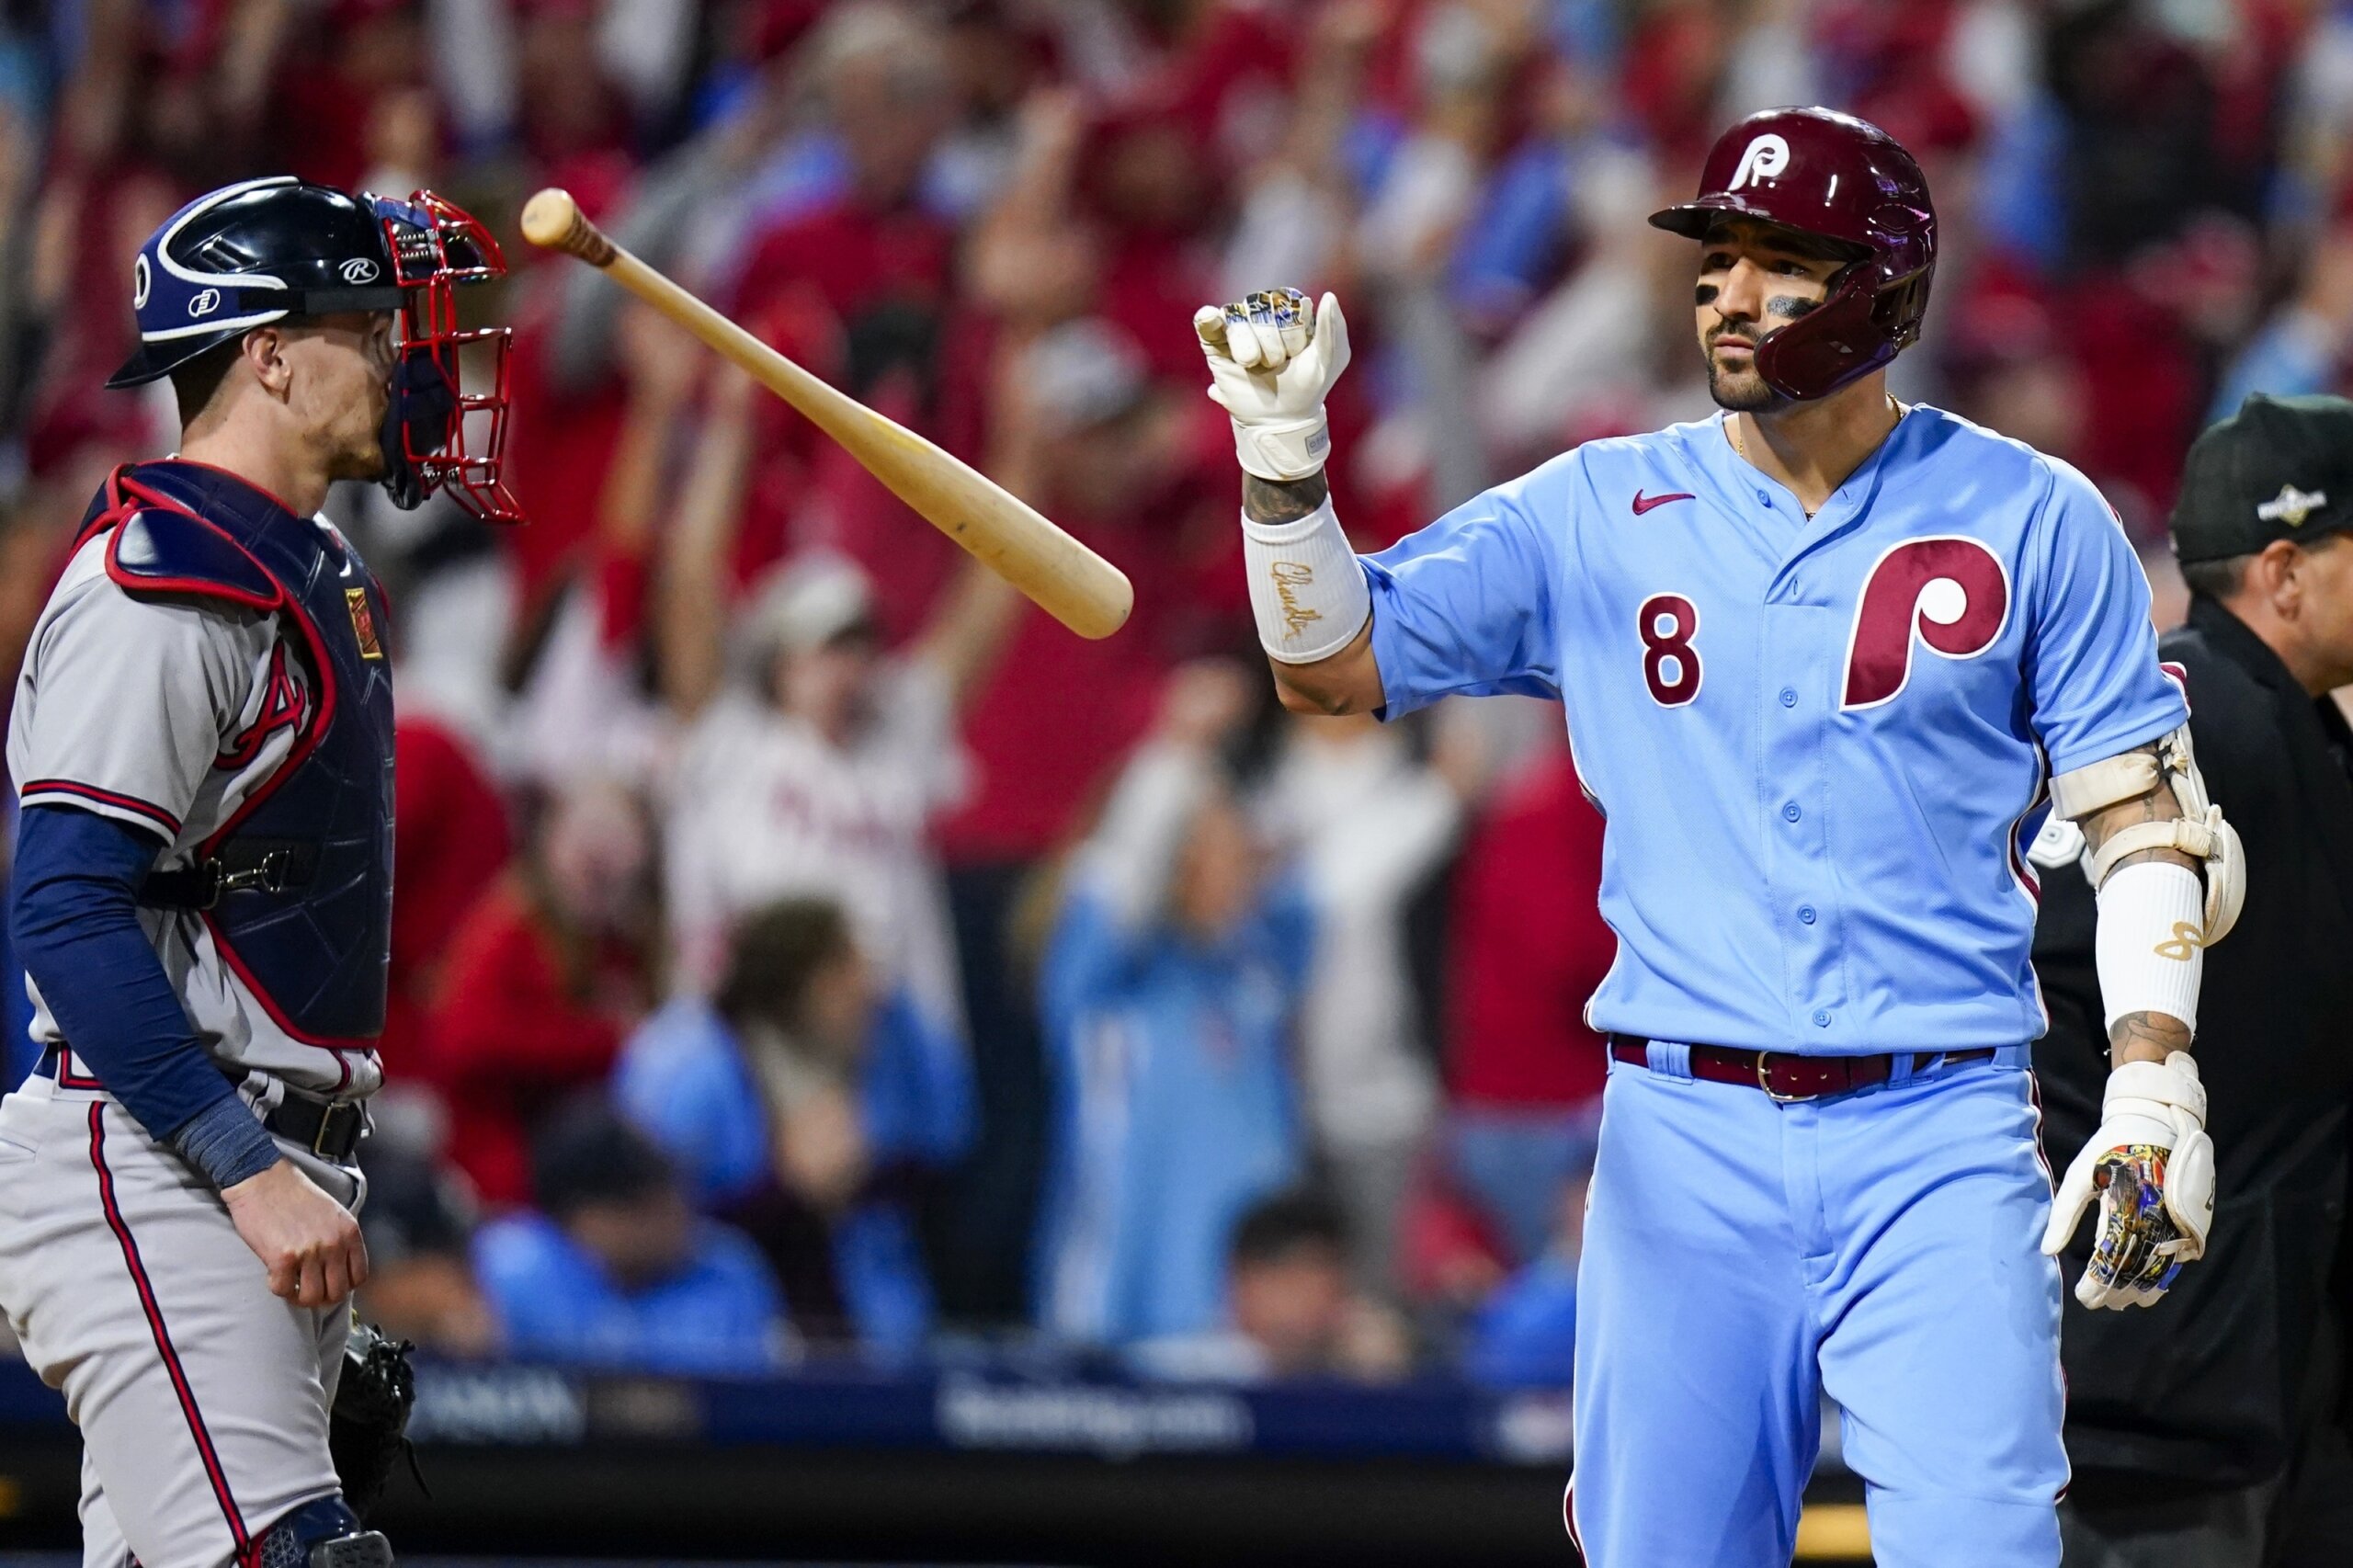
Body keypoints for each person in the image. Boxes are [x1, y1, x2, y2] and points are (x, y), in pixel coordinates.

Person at [1193, 108, 2243, 1566]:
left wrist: (2151, 1075)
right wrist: (1284, 473)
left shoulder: (2033, 513)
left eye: (1780, 263)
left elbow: (2137, 816)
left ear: (1885, 288)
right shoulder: (1603, 504)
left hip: (1942, 1126)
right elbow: (1333, 664)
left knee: (1988, 1550)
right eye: (1715, 263)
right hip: (1680, 1129)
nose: (1730, 295)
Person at [0, 177, 515, 1568]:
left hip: (265, 1167)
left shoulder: (316, 560)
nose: (409, 358)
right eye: (370, 325)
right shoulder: (159, 584)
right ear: (267, 352)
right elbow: (62, 903)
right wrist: (242, 1169)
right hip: (155, 1155)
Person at [2030, 392, 2353, 1566]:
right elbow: (2049, 979)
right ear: (2284, 568)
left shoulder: (2302, 720)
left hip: (2274, 1352)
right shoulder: (2180, 712)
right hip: (2164, 1361)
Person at [1033, 662, 1313, 1347]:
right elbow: (1118, 879)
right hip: (1127, 1324)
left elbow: (1309, 898)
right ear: (1175, 861)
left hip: (1249, 1331)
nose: (1240, 862)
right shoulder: (1109, 993)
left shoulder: (1247, 980)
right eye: (1216, 847)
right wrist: (1171, 754)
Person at [614, 896, 972, 1358]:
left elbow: (943, 1154)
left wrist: (856, 1178)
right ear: (799, 986)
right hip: (719, 1347)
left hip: (864, 1335)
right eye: (843, 973)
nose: (867, 990)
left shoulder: (879, 1050)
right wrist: (787, 1188)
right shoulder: (688, 1066)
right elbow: (646, 1229)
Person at [428, 777, 657, 1208]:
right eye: (587, 835)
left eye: (617, 838)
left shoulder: (622, 942)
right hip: (503, 1162)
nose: (599, 856)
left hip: (576, 1151)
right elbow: (462, 1042)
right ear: (552, 841)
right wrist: (603, 1041)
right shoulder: (511, 925)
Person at [472, 1099, 783, 1374]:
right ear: (585, 1217)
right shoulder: (511, 1266)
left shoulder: (727, 1269)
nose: (676, 1208)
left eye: (671, 1187)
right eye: (643, 1201)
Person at [1130, 1188, 1412, 1383]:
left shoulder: (1349, 1371)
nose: (1320, 1304)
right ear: (1245, 1279)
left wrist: (1379, 1380)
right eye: (1295, 1281)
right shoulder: (1165, 1374)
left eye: (1334, 1287)